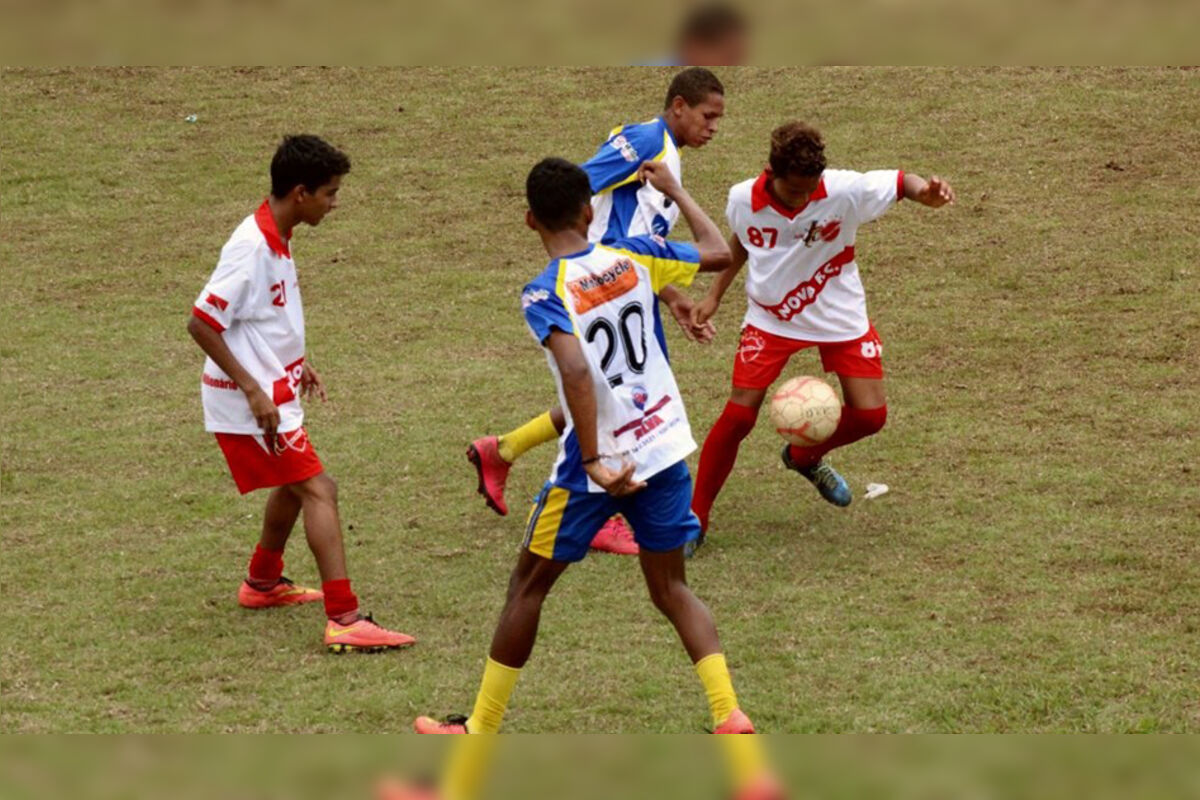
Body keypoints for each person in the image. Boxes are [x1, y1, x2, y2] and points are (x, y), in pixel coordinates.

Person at [414, 156, 765, 746]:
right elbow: (719, 252)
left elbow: (576, 369)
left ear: (530, 221)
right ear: (587, 210)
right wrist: (675, 189)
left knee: (527, 586)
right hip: (664, 447)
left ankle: (480, 729)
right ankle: (729, 714)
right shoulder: (632, 253)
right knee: (671, 588)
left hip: (594, 466)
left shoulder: (541, 292)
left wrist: (598, 459)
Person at [467, 67, 726, 555]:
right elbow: (579, 185)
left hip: (629, 280)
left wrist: (671, 296)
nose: (713, 127)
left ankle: (502, 450)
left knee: (620, 391)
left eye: (718, 119)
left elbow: (643, 228)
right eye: (706, 116)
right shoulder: (648, 140)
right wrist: (598, 259)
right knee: (627, 392)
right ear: (678, 107)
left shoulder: (667, 155)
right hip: (605, 283)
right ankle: (605, 504)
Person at [187, 134, 415, 653]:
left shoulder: (278, 233)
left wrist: (296, 364)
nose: (335, 203)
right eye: (330, 193)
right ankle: (345, 617)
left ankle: (262, 583)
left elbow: (259, 317)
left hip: (273, 388)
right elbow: (201, 322)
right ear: (300, 193)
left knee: (294, 485)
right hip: (250, 401)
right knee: (319, 489)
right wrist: (253, 389)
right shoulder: (250, 248)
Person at [689, 121, 956, 537]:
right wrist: (715, 295)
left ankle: (803, 457)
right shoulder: (743, 197)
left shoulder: (843, 189)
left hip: (838, 315)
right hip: (772, 317)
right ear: (770, 173)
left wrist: (926, 194)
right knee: (739, 415)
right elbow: (743, 240)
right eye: (794, 191)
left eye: (810, 190)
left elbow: (903, 182)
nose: (803, 198)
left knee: (871, 416)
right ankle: (693, 521)